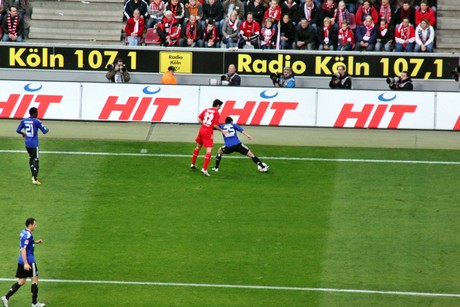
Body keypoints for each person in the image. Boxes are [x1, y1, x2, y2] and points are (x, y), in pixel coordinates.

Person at [2, 218, 45, 307]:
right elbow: (23, 249)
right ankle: (34, 303)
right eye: (35, 224)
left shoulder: (23, 232)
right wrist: (26, 263)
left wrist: (36, 242)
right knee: (35, 280)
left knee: (21, 281)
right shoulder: (28, 235)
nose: (36, 226)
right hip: (29, 260)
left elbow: (25, 243)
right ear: (31, 225)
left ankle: (6, 297)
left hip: (21, 259)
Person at [190, 99, 228, 177]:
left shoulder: (206, 109)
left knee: (198, 147)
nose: (220, 108)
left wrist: (205, 124)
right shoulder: (217, 113)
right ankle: (204, 169)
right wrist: (222, 131)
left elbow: (199, 119)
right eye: (220, 106)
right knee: (209, 150)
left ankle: (192, 164)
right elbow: (215, 125)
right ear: (217, 105)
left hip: (201, 129)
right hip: (208, 132)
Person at [15, 107, 49, 185]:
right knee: (36, 160)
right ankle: (35, 179)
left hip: (27, 144)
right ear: (34, 113)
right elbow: (44, 131)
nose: (38, 114)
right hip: (34, 144)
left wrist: (23, 133)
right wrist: (47, 129)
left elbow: (17, 130)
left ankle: (32, 175)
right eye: (37, 112)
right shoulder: (37, 121)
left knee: (31, 158)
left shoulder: (24, 120)